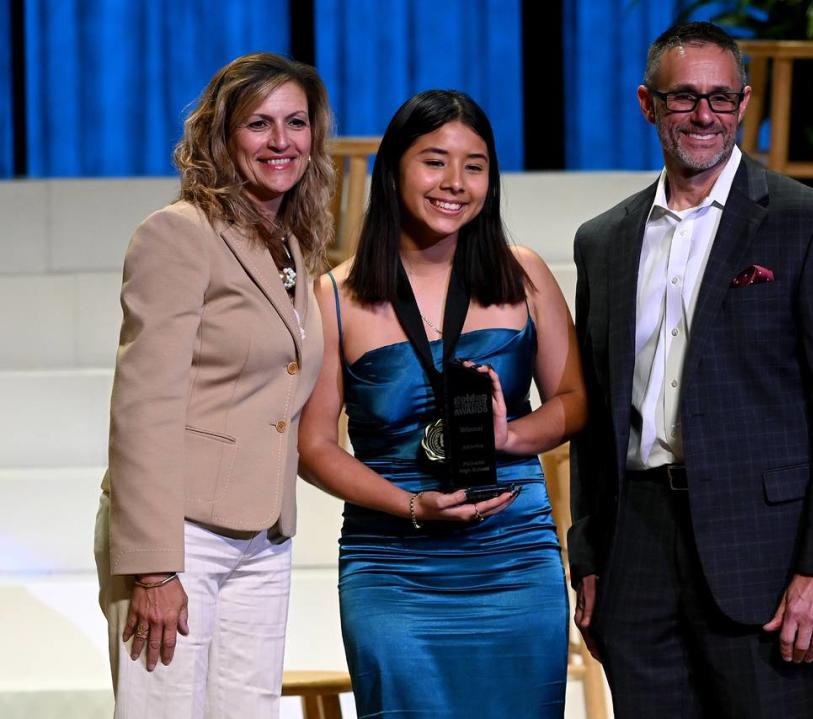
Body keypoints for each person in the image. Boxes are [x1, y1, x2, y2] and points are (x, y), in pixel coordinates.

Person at [569, 21, 813, 718]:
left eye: (721, 97)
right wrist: (588, 555)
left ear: (743, 105)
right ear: (648, 104)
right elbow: (595, 417)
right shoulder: (604, 241)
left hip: (765, 556)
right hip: (637, 552)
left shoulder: (810, 223)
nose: (704, 115)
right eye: (684, 98)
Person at [297, 89, 587, 718]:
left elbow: (573, 400)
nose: (455, 182)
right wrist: (410, 505)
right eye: (435, 161)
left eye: (474, 165)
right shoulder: (335, 294)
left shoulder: (523, 272)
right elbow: (314, 447)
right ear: (395, 167)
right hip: (392, 562)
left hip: (513, 554)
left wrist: (513, 438)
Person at [94, 53, 335, 718]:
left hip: (263, 537)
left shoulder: (291, 246)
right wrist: (154, 567)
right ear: (221, 136)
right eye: (258, 123)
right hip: (180, 535)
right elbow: (144, 406)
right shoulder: (179, 234)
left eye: (295, 122)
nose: (280, 140)